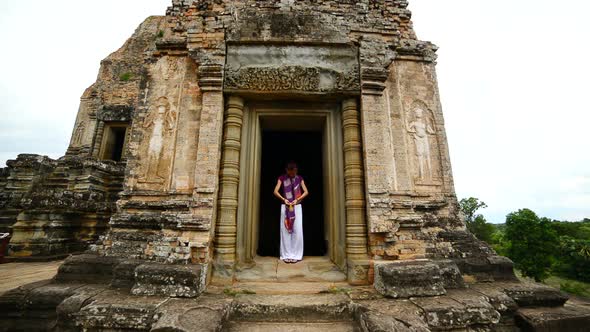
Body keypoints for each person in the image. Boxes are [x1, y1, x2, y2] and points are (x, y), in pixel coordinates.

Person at [273, 161, 309, 263]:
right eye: (290, 172)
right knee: (285, 231)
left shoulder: (299, 178)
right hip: (286, 206)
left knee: (297, 231)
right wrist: (283, 199)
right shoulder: (282, 178)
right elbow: (275, 191)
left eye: (294, 172)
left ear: (296, 170)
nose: (292, 174)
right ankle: (286, 255)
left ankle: (296, 255)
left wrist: (297, 199)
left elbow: (306, 191)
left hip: (296, 206)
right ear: (287, 170)